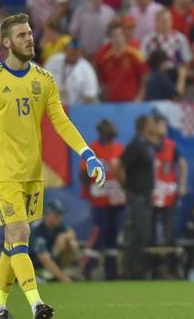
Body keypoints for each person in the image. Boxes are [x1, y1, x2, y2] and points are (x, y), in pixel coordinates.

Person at [0, 13, 106, 319]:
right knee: (19, 234)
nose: (29, 38)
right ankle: (36, 304)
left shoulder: (43, 80)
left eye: (30, 33)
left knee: (12, 243)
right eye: (21, 35)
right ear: (6, 43)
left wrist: (88, 154)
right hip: (2, 174)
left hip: (32, 175)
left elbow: (61, 121)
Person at [80, 119, 126, 280]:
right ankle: (87, 270)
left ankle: (111, 273)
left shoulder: (119, 148)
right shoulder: (93, 149)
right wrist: (89, 193)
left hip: (117, 199)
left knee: (114, 236)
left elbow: (123, 172)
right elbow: (83, 174)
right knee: (99, 235)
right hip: (100, 200)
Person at [120, 115, 160, 279]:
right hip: (136, 195)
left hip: (146, 195)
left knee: (145, 234)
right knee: (139, 233)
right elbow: (119, 165)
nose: (155, 125)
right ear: (144, 127)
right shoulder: (135, 145)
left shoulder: (146, 145)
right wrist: (126, 187)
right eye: (151, 122)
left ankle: (139, 268)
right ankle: (131, 270)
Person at [152, 115, 187, 246]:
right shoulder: (147, 144)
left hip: (168, 192)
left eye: (165, 126)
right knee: (150, 230)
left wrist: (182, 185)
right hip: (151, 193)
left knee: (170, 229)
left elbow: (183, 164)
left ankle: (171, 261)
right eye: (160, 125)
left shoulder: (171, 145)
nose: (164, 129)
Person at [29, 200, 80, 283]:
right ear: (48, 214)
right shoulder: (37, 229)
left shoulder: (59, 224)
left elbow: (71, 233)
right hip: (35, 262)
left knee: (72, 244)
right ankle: (49, 275)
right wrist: (65, 279)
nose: (60, 217)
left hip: (51, 255)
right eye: (57, 214)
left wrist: (63, 236)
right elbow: (44, 258)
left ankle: (54, 273)